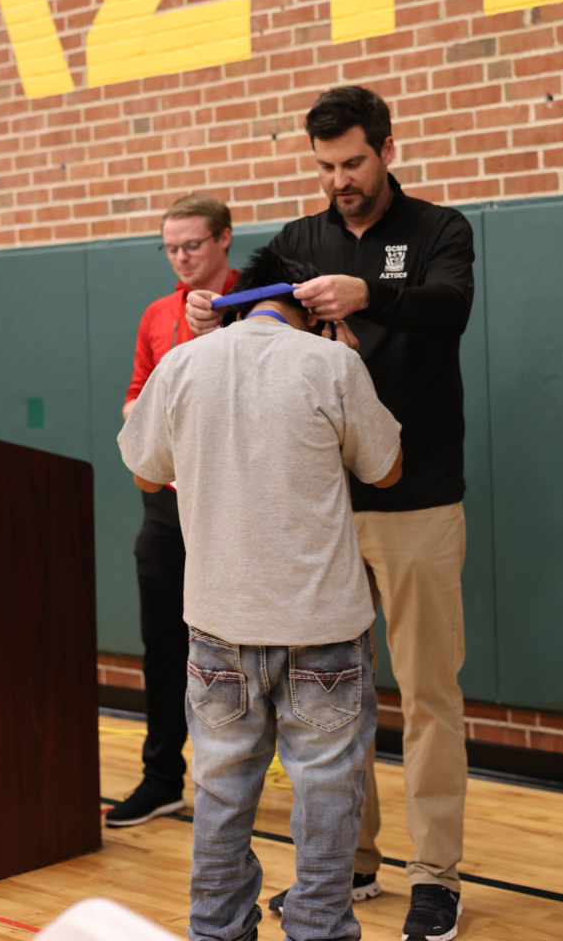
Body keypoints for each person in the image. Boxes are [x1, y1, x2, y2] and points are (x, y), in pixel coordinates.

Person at [186, 86, 475, 941]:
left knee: (428, 694)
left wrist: (367, 294)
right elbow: (248, 300)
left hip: (418, 498)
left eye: (352, 163)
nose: (339, 180)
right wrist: (210, 305)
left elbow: (450, 308)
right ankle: (353, 861)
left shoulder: (439, 230)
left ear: (385, 149)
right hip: (323, 513)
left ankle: (436, 877)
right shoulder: (300, 239)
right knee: (338, 704)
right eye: (324, 167)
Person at [117, 247, 403, 941]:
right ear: (311, 304)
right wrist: (346, 358)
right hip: (323, 628)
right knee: (328, 796)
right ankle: (319, 929)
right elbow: (387, 469)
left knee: (220, 793)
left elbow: (146, 474)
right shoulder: (332, 362)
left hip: (220, 622)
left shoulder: (184, 361)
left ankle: (216, 930)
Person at [106, 194, 240, 828]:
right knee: (163, 642)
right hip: (167, 501)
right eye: (171, 248)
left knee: (242, 643)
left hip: (235, 502)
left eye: (192, 245)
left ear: (224, 239)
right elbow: (134, 396)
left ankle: (243, 776)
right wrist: (150, 414)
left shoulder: (257, 305)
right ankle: (162, 778)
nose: (181, 257)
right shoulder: (157, 314)